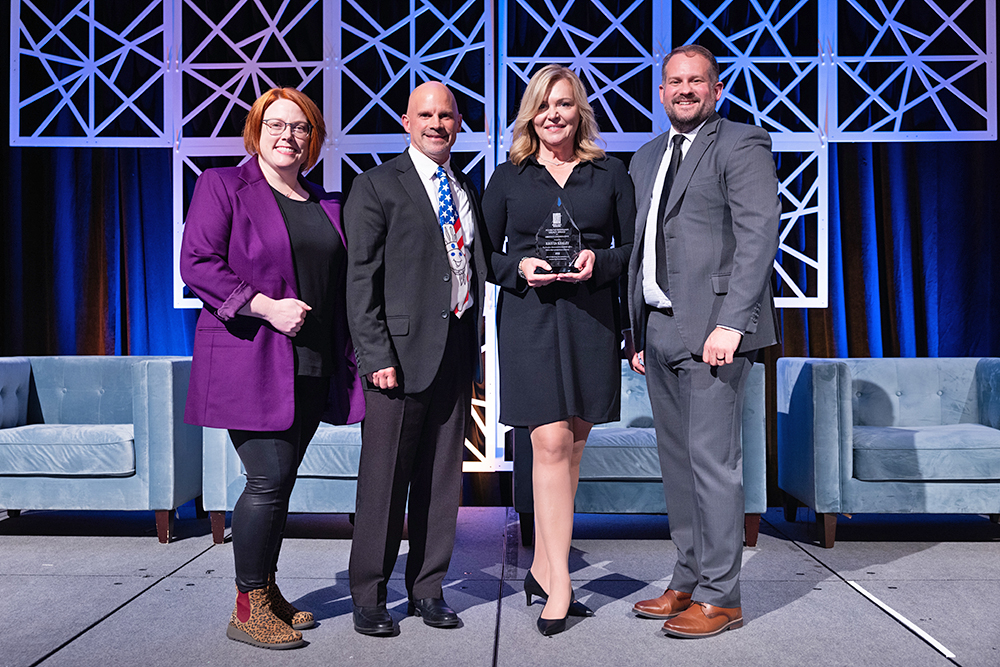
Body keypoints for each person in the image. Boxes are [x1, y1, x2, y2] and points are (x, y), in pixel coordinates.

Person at [180, 87, 365, 649]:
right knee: (264, 482)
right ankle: (247, 606)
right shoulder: (223, 185)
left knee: (279, 485)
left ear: (314, 139)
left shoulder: (325, 202)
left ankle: (268, 590)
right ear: (256, 131)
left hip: (310, 362)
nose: (289, 136)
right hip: (250, 355)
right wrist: (265, 306)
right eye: (277, 125)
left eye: (301, 128)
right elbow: (197, 262)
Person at [625, 44, 780, 638]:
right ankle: (688, 578)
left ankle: (723, 595)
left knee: (714, 465)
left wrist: (734, 322)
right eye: (673, 82)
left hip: (717, 329)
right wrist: (637, 331)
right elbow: (643, 249)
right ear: (661, 92)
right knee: (678, 467)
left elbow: (757, 235)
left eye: (697, 81)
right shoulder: (645, 157)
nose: (684, 89)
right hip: (659, 329)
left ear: (715, 89)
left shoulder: (740, 144)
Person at [481, 64, 635, 636]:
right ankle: (561, 582)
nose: (554, 115)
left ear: (580, 112)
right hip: (530, 320)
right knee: (547, 442)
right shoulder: (509, 177)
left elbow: (632, 250)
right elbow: (482, 258)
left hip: (591, 318)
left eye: (565, 105)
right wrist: (518, 266)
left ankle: (543, 566)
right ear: (531, 114)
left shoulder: (609, 174)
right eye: (544, 105)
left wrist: (602, 263)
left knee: (571, 448)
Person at [344, 81, 487, 637]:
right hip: (396, 359)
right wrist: (374, 352)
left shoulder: (463, 184)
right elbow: (361, 280)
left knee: (441, 479)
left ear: (458, 123)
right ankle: (369, 593)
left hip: (454, 350)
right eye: (425, 114)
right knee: (384, 479)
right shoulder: (377, 185)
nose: (436, 124)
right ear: (406, 121)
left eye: (446, 115)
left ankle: (428, 588)